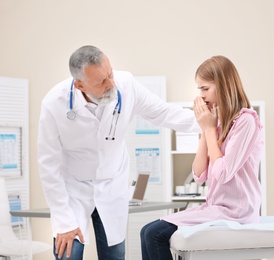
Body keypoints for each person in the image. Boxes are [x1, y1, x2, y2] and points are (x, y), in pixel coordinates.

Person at [37, 45, 200, 260]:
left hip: (111, 182)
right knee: (69, 253)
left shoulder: (126, 85)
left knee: (114, 253)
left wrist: (211, 123)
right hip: (73, 187)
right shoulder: (53, 104)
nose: (111, 84)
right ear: (79, 85)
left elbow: (163, 113)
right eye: (101, 82)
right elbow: (48, 165)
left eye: (110, 74)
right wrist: (64, 220)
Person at [140, 55, 264, 260]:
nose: (201, 95)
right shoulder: (217, 122)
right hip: (216, 207)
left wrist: (208, 130)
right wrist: (206, 128)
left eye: (205, 88)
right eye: (199, 89)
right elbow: (199, 174)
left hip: (237, 212)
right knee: (146, 231)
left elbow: (222, 173)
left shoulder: (246, 122)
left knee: (155, 235)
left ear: (224, 86)